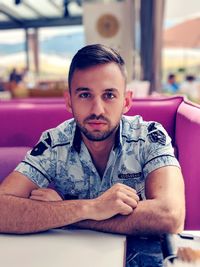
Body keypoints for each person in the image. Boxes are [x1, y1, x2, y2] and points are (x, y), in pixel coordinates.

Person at [0, 44, 185, 266]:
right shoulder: (54, 142)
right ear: (69, 101)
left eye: (109, 95)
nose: (97, 109)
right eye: (85, 95)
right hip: (71, 258)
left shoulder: (149, 136)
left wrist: (67, 215)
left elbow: (170, 216)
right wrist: (92, 207)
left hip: (137, 257)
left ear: (126, 101)